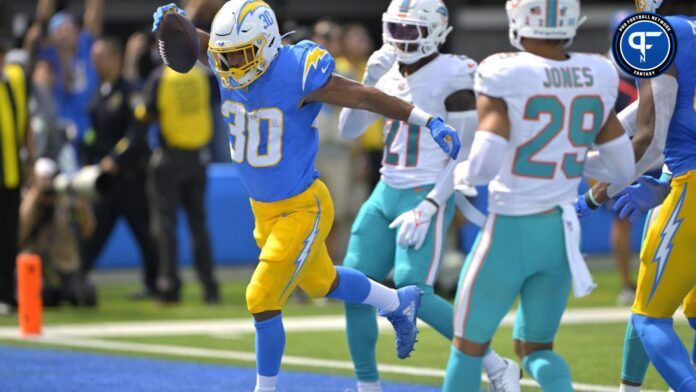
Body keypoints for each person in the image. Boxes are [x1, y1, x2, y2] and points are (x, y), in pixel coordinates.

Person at [151, 1, 462, 391]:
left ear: (265, 46)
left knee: (261, 295)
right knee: (322, 283)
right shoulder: (226, 56)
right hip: (264, 211)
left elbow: (364, 96)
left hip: (303, 206)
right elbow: (200, 43)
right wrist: (171, 23)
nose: (231, 68)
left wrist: (425, 119)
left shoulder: (295, 71)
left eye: (242, 56)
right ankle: (399, 303)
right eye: (224, 58)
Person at [445, 0, 636, 390]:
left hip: (509, 231)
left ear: (519, 19)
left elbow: (484, 161)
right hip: (559, 233)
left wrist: (460, 173)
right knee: (535, 349)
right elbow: (621, 169)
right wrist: (569, 158)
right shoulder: (595, 72)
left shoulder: (504, 71)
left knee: (467, 347)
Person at [338, 1, 519, 391]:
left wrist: (433, 203)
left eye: (410, 32)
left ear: (435, 33)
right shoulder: (385, 68)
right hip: (386, 189)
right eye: (395, 30)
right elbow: (349, 130)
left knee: (414, 288)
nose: (400, 41)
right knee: (354, 284)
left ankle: (497, 363)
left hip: (426, 190)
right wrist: (369, 77)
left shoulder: (455, 74)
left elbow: (465, 153)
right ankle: (367, 385)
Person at [576, 0, 696, 389]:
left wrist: (588, 179)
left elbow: (651, 142)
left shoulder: (660, 34)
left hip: (689, 185)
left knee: (649, 316)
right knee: (693, 310)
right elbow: (650, 112)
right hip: (680, 176)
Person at [78, 37, 158, 301]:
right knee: (96, 231)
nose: (95, 64)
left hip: (130, 178)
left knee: (145, 233)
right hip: (105, 181)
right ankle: (77, 276)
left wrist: (115, 157)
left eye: (99, 58)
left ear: (115, 58)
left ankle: (155, 282)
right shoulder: (98, 95)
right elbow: (93, 137)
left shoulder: (129, 92)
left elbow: (136, 133)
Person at [138, 61, 219, 304]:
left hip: (169, 157)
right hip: (198, 157)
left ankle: (169, 286)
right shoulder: (203, 75)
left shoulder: (161, 76)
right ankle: (210, 287)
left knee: (165, 226)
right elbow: (215, 102)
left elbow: (146, 111)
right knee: (199, 225)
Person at [31, 0, 103, 157]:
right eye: (59, 30)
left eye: (68, 29)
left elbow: (94, 12)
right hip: (58, 137)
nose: (64, 34)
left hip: (91, 133)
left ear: (77, 31)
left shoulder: (87, 49)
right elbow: (42, 20)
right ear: (51, 35)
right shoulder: (48, 56)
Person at [0, 39, 31, 315]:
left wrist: (30, 162)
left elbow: (26, 122)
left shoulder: (15, 80)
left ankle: (7, 295)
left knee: (9, 237)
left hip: (10, 174)